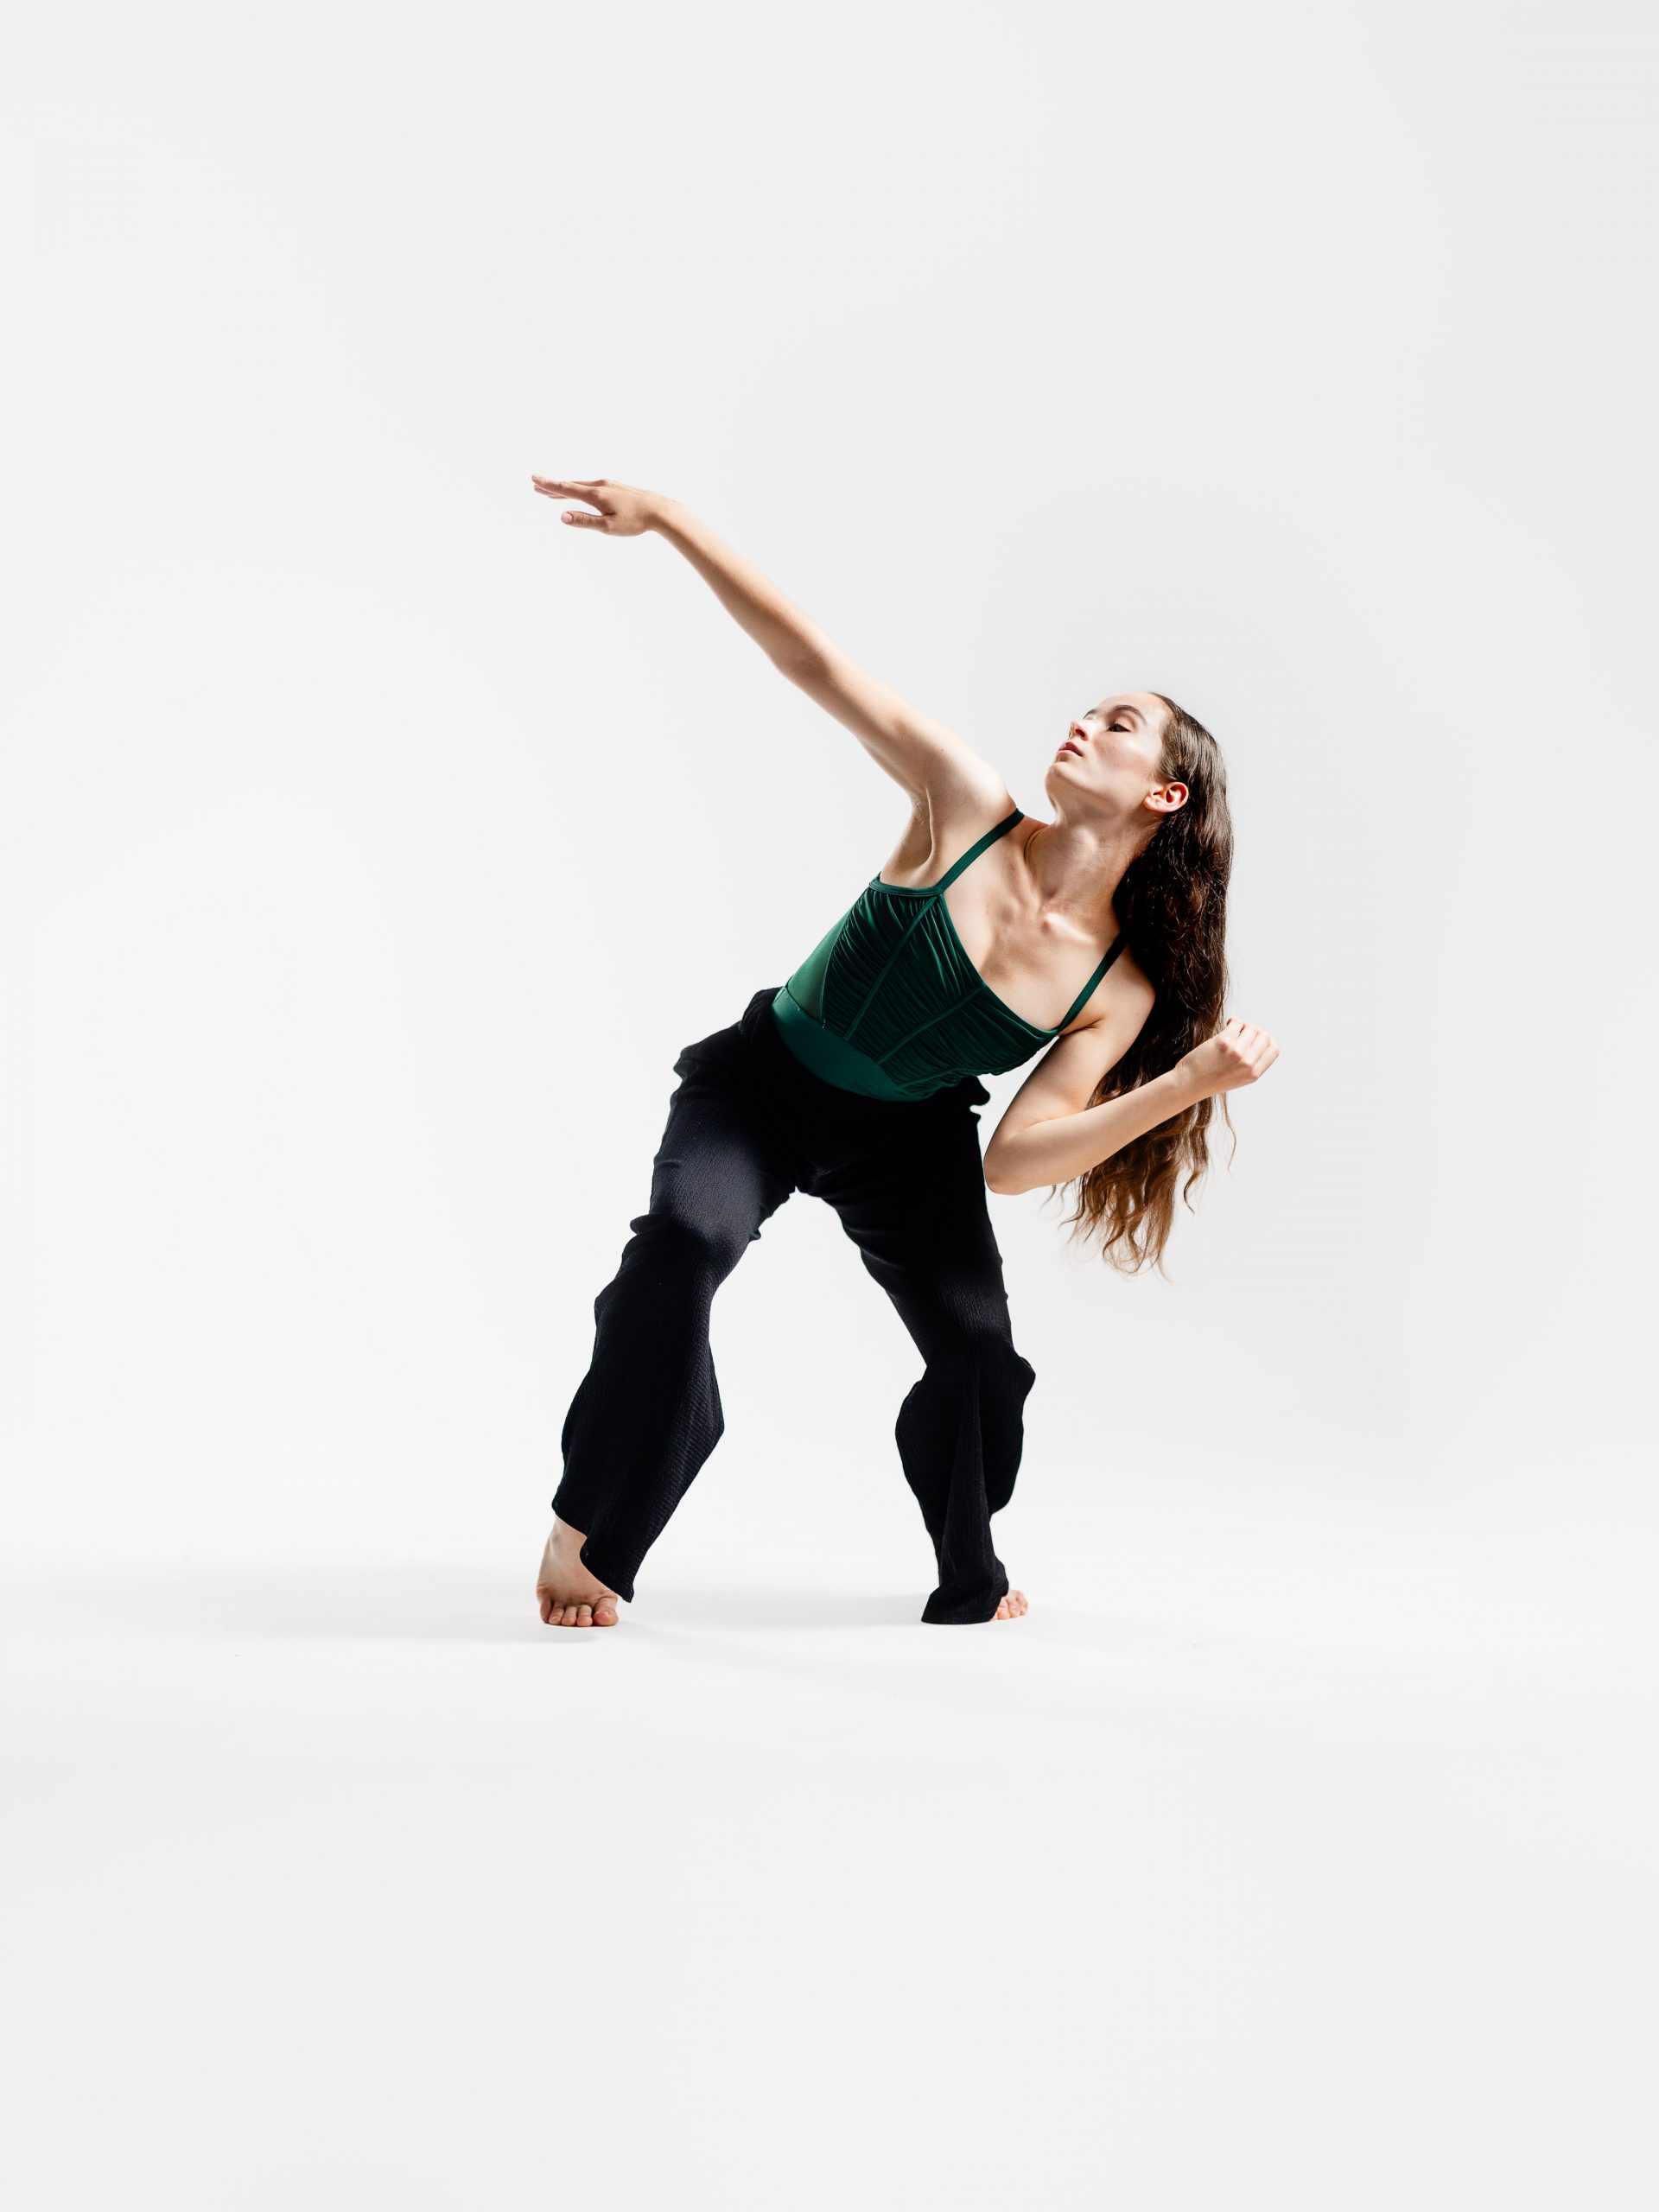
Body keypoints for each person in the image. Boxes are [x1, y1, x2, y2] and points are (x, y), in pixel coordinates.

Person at [528, 476, 1279, 1629]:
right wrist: (671, 521)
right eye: (1089, 710)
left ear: (1165, 794)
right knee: (683, 1243)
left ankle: (970, 1572)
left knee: (978, 1352)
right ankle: (592, 1523)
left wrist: (1182, 1086)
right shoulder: (964, 802)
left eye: (1119, 724)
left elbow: (1014, 1162)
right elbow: (814, 661)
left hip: (909, 1141)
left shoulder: (1115, 987)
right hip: (762, 1086)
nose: (1084, 723)